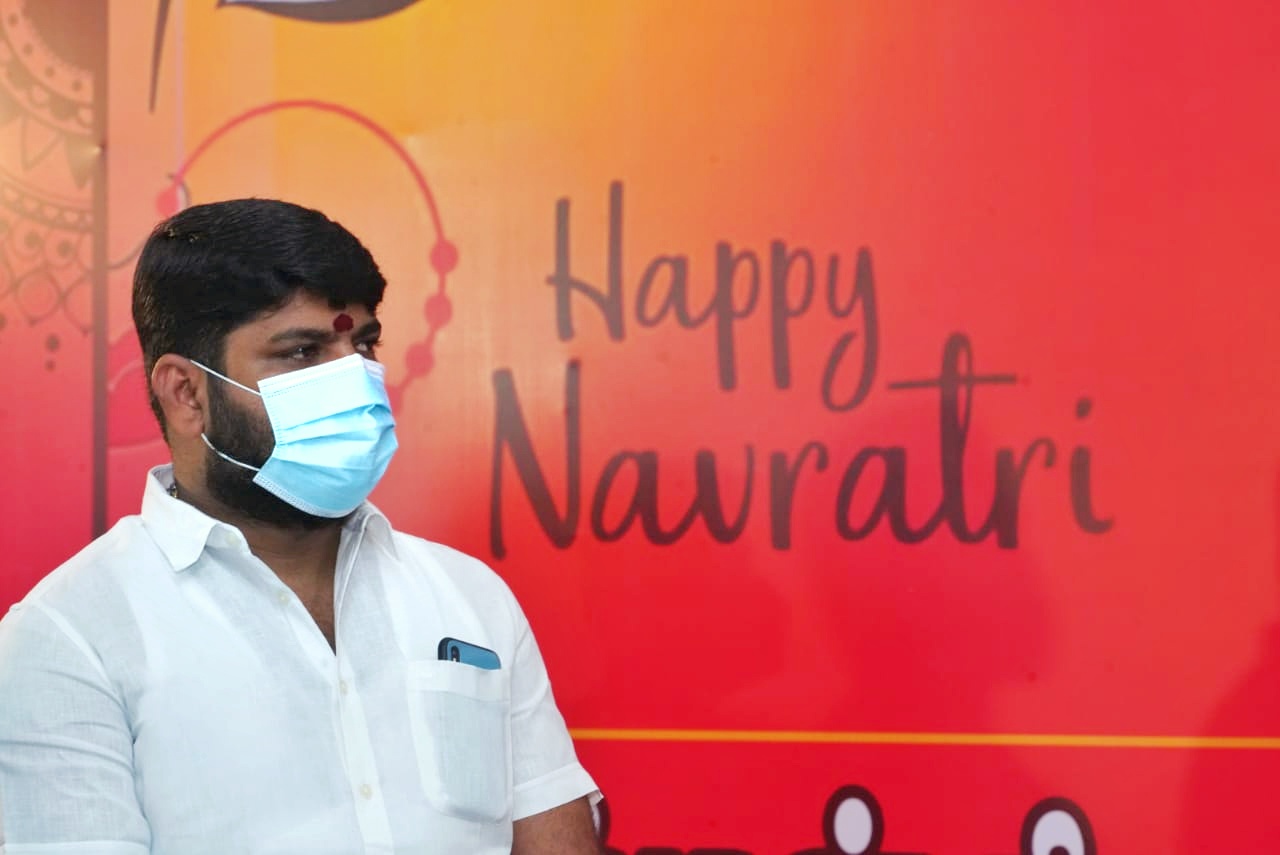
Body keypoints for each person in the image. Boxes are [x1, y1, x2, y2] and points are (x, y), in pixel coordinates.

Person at [0, 198, 602, 854]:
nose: (355, 380)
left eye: (363, 343)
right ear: (186, 393)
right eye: (303, 352)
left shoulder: (468, 596)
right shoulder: (70, 637)